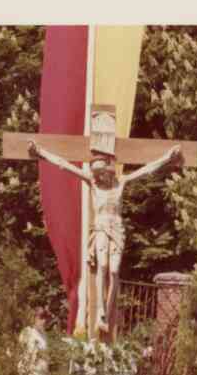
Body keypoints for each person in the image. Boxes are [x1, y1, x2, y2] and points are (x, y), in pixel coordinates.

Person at [28, 137, 183, 335]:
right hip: (101, 227)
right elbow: (64, 165)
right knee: (102, 266)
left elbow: (146, 170)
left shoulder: (121, 183)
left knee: (114, 270)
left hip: (117, 228)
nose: (100, 176)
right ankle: (101, 312)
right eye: (97, 172)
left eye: (102, 172)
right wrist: (40, 152)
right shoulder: (92, 183)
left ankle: (108, 311)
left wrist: (168, 157)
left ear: (109, 171)